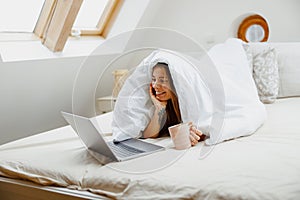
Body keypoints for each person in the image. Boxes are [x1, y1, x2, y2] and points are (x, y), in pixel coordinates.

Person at [143, 62, 205, 146]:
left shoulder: (189, 103)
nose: (155, 86)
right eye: (154, 79)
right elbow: (148, 136)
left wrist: (196, 134)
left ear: (175, 82)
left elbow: (204, 129)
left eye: (162, 80)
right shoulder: (167, 106)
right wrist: (159, 108)